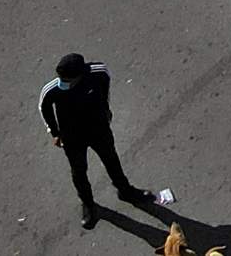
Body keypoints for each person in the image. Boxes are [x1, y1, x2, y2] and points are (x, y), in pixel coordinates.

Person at [42, 52, 157, 230]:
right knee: (79, 171)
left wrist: (105, 110)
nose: (63, 84)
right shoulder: (54, 89)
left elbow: (105, 87)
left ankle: (125, 190)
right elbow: (44, 106)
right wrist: (54, 132)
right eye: (61, 79)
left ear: (81, 75)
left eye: (67, 80)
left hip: (98, 129)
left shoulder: (98, 73)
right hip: (72, 137)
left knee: (111, 159)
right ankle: (88, 204)